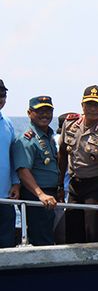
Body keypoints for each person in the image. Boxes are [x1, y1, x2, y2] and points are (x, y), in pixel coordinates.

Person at [58, 85, 98, 243]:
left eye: (97, 105)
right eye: (89, 104)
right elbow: (63, 153)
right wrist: (59, 185)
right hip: (74, 185)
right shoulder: (69, 123)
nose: (92, 109)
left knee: (94, 233)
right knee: (72, 230)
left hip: (95, 187)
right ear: (82, 105)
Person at [11, 96, 60, 245]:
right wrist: (41, 194)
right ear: (29, 113)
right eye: (40, 111)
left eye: (48, 111)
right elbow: (23, 170)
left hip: (51, 194)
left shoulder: (49, 136)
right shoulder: (26, 139)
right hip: (38, 196)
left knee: (50, 235)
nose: (45, 115)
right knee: (42, 239)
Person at [0, 80, 20, 248]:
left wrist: (16, 182)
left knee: (6, 245)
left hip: (5, 196)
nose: (0, 98)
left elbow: (13, 156)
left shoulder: (8, 123)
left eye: (3, 95)